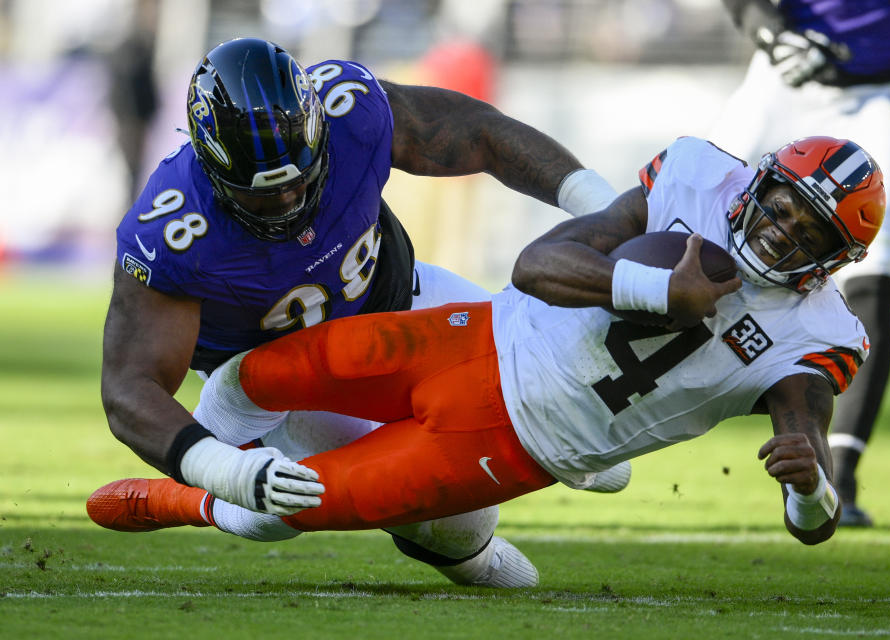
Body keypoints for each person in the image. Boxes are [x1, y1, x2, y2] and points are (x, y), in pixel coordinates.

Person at [90, 135, 885, 554]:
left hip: (516, 444)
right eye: (783, 207)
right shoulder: (695, 179)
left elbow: (808, 498)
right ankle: (205, 461)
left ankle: (181, 503)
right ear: (762, 184)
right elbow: (536, 265)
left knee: (288, 503)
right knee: (257, 372)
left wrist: (809, 488)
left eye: (806, 232)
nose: (781, 233)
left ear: (833, 261)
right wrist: (656, 291)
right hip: (475, 336)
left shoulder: (818, 335)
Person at [91, 37, 628, 589]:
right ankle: (191, 499)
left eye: (300, 180)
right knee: (422, 520)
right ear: (210, 170)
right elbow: (131, 387)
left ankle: (553, 432)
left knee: (568, 375)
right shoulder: (174, 229)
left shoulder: (351, 111)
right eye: (260, 196)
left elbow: (482, 134)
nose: (287, 205)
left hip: (401, 304)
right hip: (283, 380)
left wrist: (603, 208)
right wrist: (218, 468)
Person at [710, 0, 890, 526]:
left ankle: (839, 474)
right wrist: (769, 31)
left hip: (885, 88)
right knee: (696, 212)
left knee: (874, 277)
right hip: (784, 80)